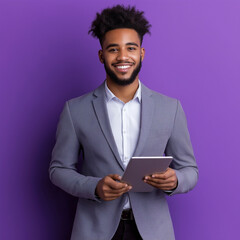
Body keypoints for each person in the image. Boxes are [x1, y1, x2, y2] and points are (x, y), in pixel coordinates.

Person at [49, 5, 198, 240]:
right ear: (101, 56)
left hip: (152, 232)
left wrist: (175, 179)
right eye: (113, 49)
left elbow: (190, 170)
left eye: (131, 48)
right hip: (95, 231)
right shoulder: (75, 110)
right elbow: (58, 170)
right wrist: (95, 187)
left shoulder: (170, 108)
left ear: (141, 53)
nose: (122, 57)